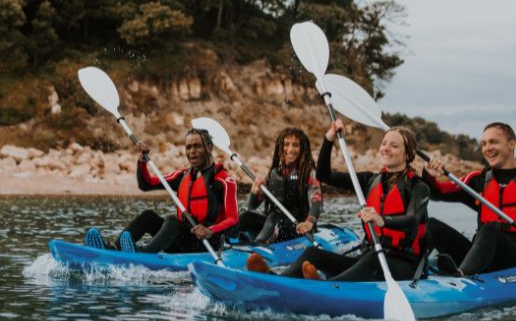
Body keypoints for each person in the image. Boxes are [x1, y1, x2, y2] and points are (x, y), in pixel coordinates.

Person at [247, 120, 429, 282]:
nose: (386, 148)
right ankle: (277, 280)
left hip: (403, 264)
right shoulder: (370, 181)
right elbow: (323, 174)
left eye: (394, 146)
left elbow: (413, 220)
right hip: (372, 256)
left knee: (371, 260)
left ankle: (324, 287)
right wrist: (329, 138)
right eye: (384, 143)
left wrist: (382, 220)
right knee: (312, 254)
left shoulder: (418, 187)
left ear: (408, 154)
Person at [423, 122, 516, 276]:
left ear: (511, 144)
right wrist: (429, 175)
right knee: (432, 226)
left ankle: (461, 275)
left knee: (492, 228)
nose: (487, 148)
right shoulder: (477, 180)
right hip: (480, 254)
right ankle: (413, 273)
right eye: (484, 144)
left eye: (493, 142)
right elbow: (437, 192)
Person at [84, 128, 239, 253]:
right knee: (148, 216)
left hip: (207, 244)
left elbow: (233, 219)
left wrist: (210, 230)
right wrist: (142, 161)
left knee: (172, 220)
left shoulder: (224, 180)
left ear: (209, 147)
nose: (192, 151)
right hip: (181, 242)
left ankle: (144, 253)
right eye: (188, 147)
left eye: (197, 146)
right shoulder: (181, 176)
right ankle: (114, 248)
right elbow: (146, 184)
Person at [233, 127, 323, 245]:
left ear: (302, 149)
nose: (290, 149)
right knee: (245, 215)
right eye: (286, 144)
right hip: (273, 225)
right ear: (280, 147)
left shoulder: (308, 173)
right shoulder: (274, 173)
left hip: (298, 227)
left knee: (274, 217)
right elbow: (252, 206)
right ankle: (220, 241)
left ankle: (259, 246)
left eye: (295, 145)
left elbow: (317, 203)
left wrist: (309, 222)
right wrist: (254, 192)